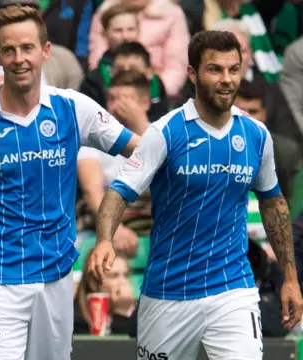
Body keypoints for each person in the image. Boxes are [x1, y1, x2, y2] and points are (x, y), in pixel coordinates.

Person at [0, 5, 139, 360]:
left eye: (27, 48)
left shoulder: (73, 108)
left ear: (45, 50)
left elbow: (142, 151)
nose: (19, 58)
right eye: (8, 50)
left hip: (55, 278)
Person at [90, 30, 303, 360]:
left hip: (233, 289)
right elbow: (119, 192)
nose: (226, 79)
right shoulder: (164, 133)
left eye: (234, 69)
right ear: (192, 73)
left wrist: (290, 278)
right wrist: (105, 238)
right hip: (168, 294)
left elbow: (273, 203)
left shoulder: (256, 134)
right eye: (215, 69)